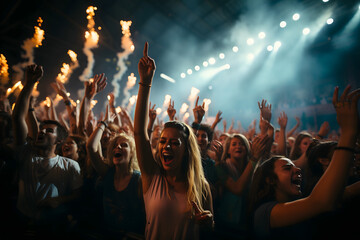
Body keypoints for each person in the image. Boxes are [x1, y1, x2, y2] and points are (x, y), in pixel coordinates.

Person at [248, 85, 360, 239]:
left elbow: (341, 192)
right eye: (288, 168)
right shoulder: (265, 212)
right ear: (270, 180)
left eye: (295, 167)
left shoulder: (301, 198)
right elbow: (321, 201)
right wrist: (348, 132)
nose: (298, 170)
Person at [134, 42, 214, 240]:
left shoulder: (201, 186)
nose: (166, 146)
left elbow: (210, 231)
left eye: (174, 143)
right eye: (162, 141)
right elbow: (139, 133)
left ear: (187, 150)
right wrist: (145, 82)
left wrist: (208, 222)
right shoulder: (152, 177)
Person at [11, 64, 83, 238]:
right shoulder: (26, 153)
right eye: (42, 128)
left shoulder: (70, 165)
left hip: (52, 230)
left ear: (59, 140)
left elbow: (78, 194)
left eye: (49, 131)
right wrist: (29, 83)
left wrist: (60, 200)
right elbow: (17, 117)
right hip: (20, 226)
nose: (42, 131)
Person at [86, 114, 145, 238]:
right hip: (107, 234)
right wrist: (103, 124)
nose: (118, 147)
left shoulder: (138, 180)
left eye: (124, 145)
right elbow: (91, 147)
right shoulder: (107, 174)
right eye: (115, 145)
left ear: (132, 154)